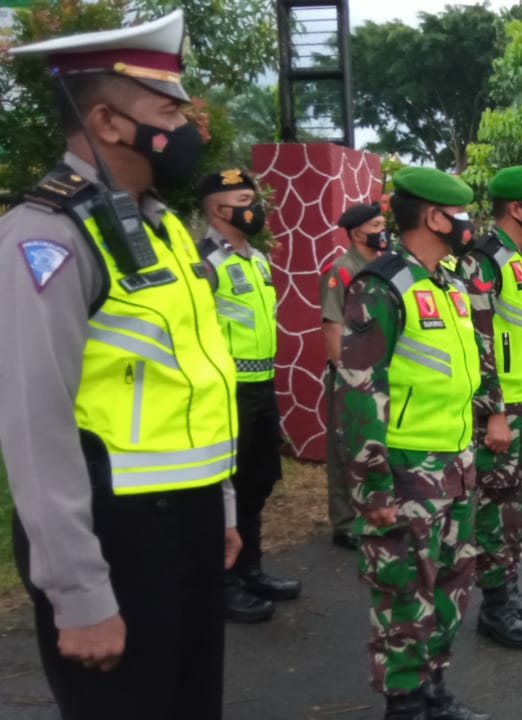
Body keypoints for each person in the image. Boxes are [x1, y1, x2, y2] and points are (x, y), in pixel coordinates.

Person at [0, 12, 241, 718]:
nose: (189, 122)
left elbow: (199, 378)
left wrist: (219, 504)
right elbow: (35, 426)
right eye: (168, 108)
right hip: (116, 537)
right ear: (106, 120)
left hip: (190, 525)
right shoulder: (47, 235)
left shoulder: (162, 226)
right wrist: (77, 594)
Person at [338, 166, 491, 720]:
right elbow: (359, 389)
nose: (468, 224)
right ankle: (404, 703)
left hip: (455, 462)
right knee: (405, 592)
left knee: (452, 583)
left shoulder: (445, 283)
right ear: (434, 216)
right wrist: (372, 487)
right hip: (405, 469)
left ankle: (435, 690)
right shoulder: (382, 285)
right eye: (461, 213)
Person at [455, 166, 522, 649]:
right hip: (505, 407)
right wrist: (492, 410)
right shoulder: (484, 259)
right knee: (498, 506)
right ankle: (494, 607)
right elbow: (478, 339)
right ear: (516, 208)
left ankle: (509, 588)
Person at [196, 169, 302, 623]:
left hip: (262, 385)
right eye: (244, 198)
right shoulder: (204, 262)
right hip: (226, 391)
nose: (255, 206)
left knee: (258, 481)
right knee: (225, 488)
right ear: (218, 208)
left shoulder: (256, 259)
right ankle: (221, 583)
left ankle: (251, 568)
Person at [321, 202, 389, 550]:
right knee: (344, 445)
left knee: (372, 445)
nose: (383, 229)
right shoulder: (342, 270)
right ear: (358, 231)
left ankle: (371, 511)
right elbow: (332, 327)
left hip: (378, 372)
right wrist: (347, 374)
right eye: (378, 224)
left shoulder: (380, 267)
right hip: (349, 375)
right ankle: (345, 522)